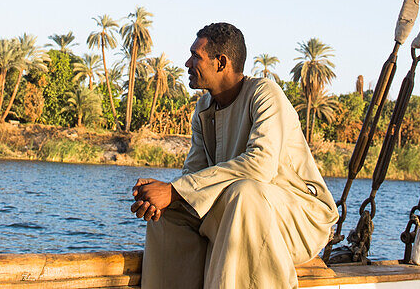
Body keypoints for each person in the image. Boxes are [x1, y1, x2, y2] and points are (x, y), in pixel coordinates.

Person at [131, 22, 337, 289]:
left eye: (196, 56)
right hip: (234, 211)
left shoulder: (264, 94)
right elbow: (193, 176)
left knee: (245, 192)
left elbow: (260, 166)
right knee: (166, 214)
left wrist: (176, 190)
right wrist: (167, 196)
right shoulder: (204, 108)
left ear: (221, 62)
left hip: (299, 219)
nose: (187, 63)